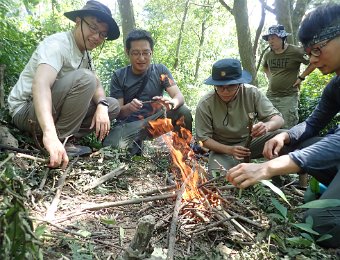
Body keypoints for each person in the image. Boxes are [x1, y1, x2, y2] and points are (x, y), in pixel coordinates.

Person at [228, 3, 340, 248]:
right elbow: (313, 123)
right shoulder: (335, 86)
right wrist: (286, 136)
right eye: (309, 52)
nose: (312, 60)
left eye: (318, 50)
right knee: (294, 142)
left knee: (321, 224)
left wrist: (267, 168)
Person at [7, 0, 121, 169]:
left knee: (112, 105)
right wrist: (49, 134)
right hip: (26, 110)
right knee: (86, 78)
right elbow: (41, 84)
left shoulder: (86, 55)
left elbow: (97, 86)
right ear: (78, 21)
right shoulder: (58, 44)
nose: (97, 37)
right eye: (93, 28)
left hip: (53, 110)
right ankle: (58, 139)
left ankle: (63, 136)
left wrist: (102, 106)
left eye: (103, 34)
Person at [103, 29, 192, 155]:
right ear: (127, 52)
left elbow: (179, 96)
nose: (141, 58)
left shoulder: (160, 70)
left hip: (155, 121)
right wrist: (129, 108)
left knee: (183, 112)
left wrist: (171, 103)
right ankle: (136, 144)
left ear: (151, 52)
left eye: (146, 53)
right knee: (112, 147)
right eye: (135, 53)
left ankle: (182, 152)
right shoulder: (119, 76)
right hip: (130, 125)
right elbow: (117, 113)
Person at [195, 58, 284, 173]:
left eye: (231, 86)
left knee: (284, 136)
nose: (225, 91)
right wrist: (230, 150)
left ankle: (277, 173)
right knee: (218, 176)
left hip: (252, 141)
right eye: (220, 86)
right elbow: (204, 139)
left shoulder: (252, 93)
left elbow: (278, 119)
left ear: (239, 83)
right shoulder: (205, 104)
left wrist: (267, 126)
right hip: (223, 149)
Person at [262, 24, 316, 129]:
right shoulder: (268, 55)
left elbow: (314, 62)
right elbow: (265, 67)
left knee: (287, 129)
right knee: (268, 127)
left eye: (273, 38)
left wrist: (301, 77)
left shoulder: (295, 51)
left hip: (288, 97)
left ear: (282, 38)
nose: (270, 41)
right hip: (270, 96)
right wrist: (270, 78)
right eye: (268, 39)